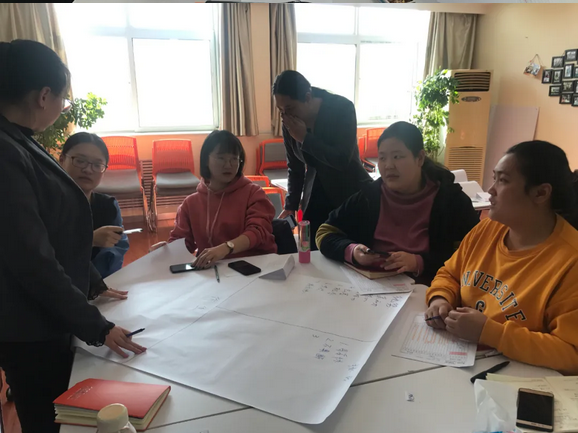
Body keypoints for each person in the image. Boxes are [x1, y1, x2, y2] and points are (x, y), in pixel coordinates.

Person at [0, 39, 145, 433]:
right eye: (63, 99)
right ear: (43, 95)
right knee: (46, 416)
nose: (62, 108)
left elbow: (52, 238)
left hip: (45, 316)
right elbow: (33, 258)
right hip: (29, 329)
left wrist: (93, 282)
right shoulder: (6, 151)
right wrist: (98, 326)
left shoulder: (18, 138)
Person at [425, 140, 578, 375]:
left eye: (503, 181)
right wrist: (440, 299)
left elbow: (571, 354)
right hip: (457, 360)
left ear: (541, 193)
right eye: (494, 178)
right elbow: (450, 274)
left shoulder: (570, 261)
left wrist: (490, 333)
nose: (490, 190)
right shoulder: (488, 229)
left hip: (512, 378)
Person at [315, 121, 479, 285]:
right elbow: (324, 232)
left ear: (420, 158)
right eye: (382, 158)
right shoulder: (369, 196)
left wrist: (420, 262)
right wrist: (352, 251)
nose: (388, 166)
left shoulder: (451, 200)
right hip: (373, 288)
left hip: (431, 290)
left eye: (397, 157)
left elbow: (474, 255)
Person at [273, 70, 372, 248]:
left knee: (349, 252)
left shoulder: (342, 109)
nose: (285, 116)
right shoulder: (288, 122)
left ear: (307, 97)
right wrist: (291, 204)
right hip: (315, 195)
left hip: (349, 192)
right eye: (281, 111)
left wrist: (305, 139)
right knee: (310, 251)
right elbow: (295, 167)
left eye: (290, 109)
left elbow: (342, 159)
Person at [151, 130, 277, 268]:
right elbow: (183, 243)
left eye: (234, 159)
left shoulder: (254, 194)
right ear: (206, 160)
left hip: (254, 267)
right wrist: (166, 250)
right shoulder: (191, 204)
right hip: (212, 272)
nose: (228, 165)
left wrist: (227, 247)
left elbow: (258, 232)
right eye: (221, 158)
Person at [59, 132, 130, 279]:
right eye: (80, 161)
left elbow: (115, 254)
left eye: (97, 165)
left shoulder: (108, 206)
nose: (88, 170)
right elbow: (41, 255)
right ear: (61, 160)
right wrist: (89, 241)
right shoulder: (47, 204)